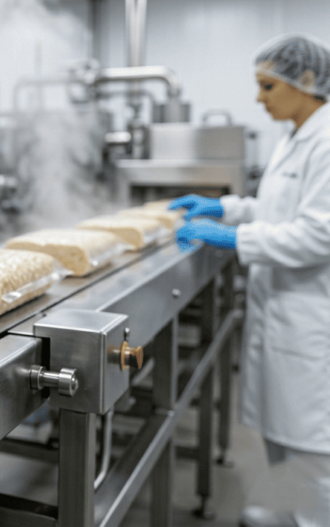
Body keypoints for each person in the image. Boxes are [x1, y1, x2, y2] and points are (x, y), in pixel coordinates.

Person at [172, 34, 330, 527]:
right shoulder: (295, 134)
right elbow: (279, 209)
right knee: (284, 432)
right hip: (280, 311)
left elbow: (317, 234)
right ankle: (289, 509)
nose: (258, 98)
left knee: (312, 443)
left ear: (306, 81)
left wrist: (234, 238)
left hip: (310, 316)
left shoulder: (326, 141)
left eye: (266, 86)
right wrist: (228, 208)